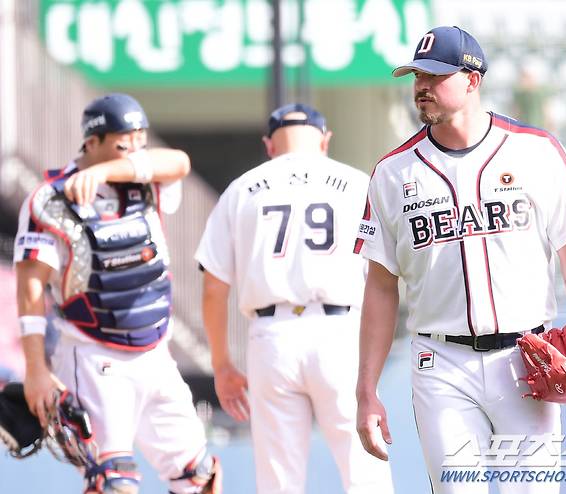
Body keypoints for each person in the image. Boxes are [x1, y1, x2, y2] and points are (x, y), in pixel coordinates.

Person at [354, 26, 566, 493]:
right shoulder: (392, 172)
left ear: (472, 80)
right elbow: (379, 285)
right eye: (416, 75)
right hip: (440, 363)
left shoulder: (535, 150)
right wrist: (366, 389)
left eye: (435, 75)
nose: (421, 86)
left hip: (525, 358)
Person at [13, 93, 221, 494]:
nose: (134, 149)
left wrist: (113, 166)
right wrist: (37, 369)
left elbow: (179, 161)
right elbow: (31, 286)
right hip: (92, 354)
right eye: (122, 141)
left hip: (155, 351)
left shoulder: (145, 180)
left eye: (139, 139)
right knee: (113, 482)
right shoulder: (49, 199)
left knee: (199, 476)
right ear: (91, 142)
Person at [196, 103, 394, 494]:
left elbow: (214, 288)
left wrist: (222, 365)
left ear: (269, 144)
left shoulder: (243, 188)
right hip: (340, 332)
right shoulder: (356, 183)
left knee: (279, 481)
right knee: (365, 472)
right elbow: (386, 277)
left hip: (272, 336)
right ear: (325, 140)